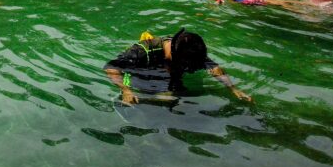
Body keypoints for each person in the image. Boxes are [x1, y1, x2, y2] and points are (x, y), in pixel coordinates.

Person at [104, 28, 252, 105]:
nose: (189, 66)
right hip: (137, 72)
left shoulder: (188, 50)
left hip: (168, 72)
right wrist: (126, 90)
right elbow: (111, 68)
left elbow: (214, 68)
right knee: (161, 97)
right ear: (175, 54)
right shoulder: (144, 51)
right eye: (185, 63)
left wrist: (233, 89)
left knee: (176, 97)